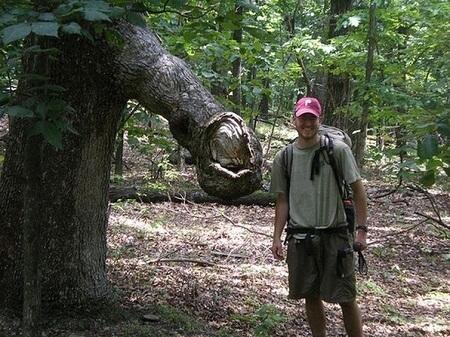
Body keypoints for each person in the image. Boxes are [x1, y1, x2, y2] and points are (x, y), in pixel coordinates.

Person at [270, 96, 368, 337]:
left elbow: (358, 191)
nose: (307, 123)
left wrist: (361, 231)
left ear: (319, 120)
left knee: (346, 296)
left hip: (335, 235)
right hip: (300, 237)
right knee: (310, 295)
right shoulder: (284, 157)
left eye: (311, 118)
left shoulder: (338, 150)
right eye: (302, 118)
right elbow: (282, 200)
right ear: (294, 120)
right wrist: (276, 237)